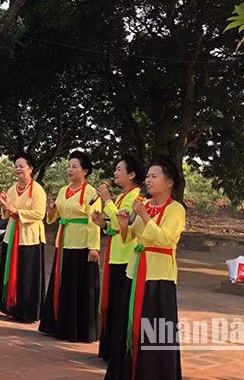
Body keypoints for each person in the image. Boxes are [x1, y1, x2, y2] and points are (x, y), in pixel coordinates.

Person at [105, 155, 184, 380]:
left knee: (156, 328)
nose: (148, 180)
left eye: (154, 176)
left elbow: (166, 239)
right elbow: (131, 237)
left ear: (169, 182)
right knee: (130, 322)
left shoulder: (176, 209)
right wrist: (123, 225)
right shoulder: (146, 205)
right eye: (147, 176)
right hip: (135, 270)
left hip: (159, 276)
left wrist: (145, 216)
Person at [39, 150, 101, 342]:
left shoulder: (91, 193)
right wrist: (51, 211)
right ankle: (57, 323)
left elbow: (94, 221)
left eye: (75, 166)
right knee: (62, 283)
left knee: (77, 286)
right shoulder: (64, 190)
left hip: (81, 243)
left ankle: (77, 329)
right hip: (63, 240)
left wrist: (93, 247)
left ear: (85, 171)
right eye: (69, 166)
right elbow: (54, 217)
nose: (70, 170)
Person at [91, 155, 145, 362]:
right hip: (115, 255)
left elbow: (125, 223)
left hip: (126, 256)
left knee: (121, 304)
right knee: (112, 303)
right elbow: (115, 225)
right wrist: (102, 224)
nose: (115, 173)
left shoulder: (135, 197)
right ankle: (110, 349)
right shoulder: (123, 196)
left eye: (119, 169)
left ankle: (119, 350)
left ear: (131, 175)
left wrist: (107, 200)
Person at [0, 151, 46, 322]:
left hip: (29, 237)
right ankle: (11, 307)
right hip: (11, 235)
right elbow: (7, 213)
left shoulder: (37, 190)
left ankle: (27, 311)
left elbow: (39, 214)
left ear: (30, 169)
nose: (18, 169)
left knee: (27, 274)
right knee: (10, 271)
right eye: (16, 166)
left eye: (21, 166)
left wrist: (17, 211)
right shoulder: (11, 189)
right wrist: (4, 206)